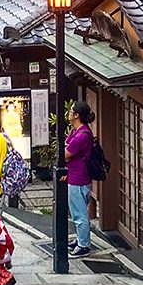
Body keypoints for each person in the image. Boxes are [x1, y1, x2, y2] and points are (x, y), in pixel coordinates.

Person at [64, 101, 96, 258]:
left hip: (78, 178)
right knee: (77, 211)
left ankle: (83, 245)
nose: (69, 113)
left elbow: (66, 153)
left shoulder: (82, 135)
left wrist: (66, 151)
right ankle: (80, 240)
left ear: (76, 115)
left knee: (79, 213)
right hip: (76, 176)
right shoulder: (78, 131)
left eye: (71, 111)